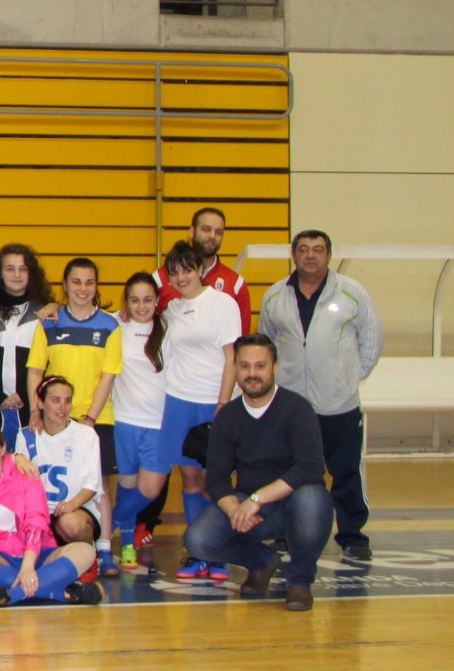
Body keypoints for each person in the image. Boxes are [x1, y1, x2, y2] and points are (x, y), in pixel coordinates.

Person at [257, 230, 384, 561]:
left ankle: (353, 536)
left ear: (329, 255)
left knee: (346, 471)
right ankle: (285, 532)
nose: (310, 256)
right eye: (303, 249)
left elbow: (371, 340)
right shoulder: (274, 297)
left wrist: (348, 379)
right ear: (293, 255)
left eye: (317, 250)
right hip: (292, 407)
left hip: (338, 405)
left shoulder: (353, 294)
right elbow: (268, 344)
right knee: (287, 472)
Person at [184, 335, 334, 611]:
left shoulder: (297, 408)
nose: (252, 374)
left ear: (274, 366)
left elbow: (311, 466)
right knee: (198, 539)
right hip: (253, 509)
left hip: (293, 502)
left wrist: (256, 499)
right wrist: (234, 510)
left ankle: (300, 582)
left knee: (314, 498)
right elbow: (216, 479)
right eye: (244, 366)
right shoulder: (227, 417)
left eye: (260, 366)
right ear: (236, 369)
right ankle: (262, 562)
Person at [24, 257, 123, 569]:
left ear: (96, 286)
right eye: (76, 282)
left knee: (102, 483)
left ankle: (105, 547)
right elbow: (35, 371)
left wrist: (90, 419)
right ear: (65, 286)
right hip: (54, 415)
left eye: (89, 282)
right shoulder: (49, 322)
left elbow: (108, 376)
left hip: (96, 416)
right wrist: (36, 409)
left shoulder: (110, 326)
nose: (83, 288)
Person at [159, 238, 243, 582]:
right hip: (179, 400)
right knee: (190, 479)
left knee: (215, 481)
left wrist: (223, 403)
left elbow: (231, 357)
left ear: (199, 270)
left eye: (187, 269)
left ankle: (218, 552)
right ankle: (197, 551)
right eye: (174, 272)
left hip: (213, 401)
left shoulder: (222, 303)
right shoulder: (172, 309)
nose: (181, 277)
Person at [0, 421, 100, 608]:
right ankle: (58, 591)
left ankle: (11, 595)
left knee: (86, 551)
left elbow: (36, 521)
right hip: (0, 558)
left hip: (40, 554)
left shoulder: (25, 473)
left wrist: (28, 566)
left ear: (3, 449)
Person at [111, 272, 172, 571]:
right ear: (126, 302)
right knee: (127, 485)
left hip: (160, 425)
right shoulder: (115, 325)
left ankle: (104, 523)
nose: (141, 306)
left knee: (150, 490)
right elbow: (80, 313)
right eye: (134, 300)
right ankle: (126, 547)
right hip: (124, 422)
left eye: (148, 299)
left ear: (158, 301)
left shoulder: (170, 329)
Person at [15, 377, 105, 566]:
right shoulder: (25, 435)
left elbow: (92, 486)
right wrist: (16, 457)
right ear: (40, 402)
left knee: (69, 523)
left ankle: (89, 562)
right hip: (38, 515)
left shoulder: (86, 435)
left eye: (68, 400)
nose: (63, 407)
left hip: (75, 511)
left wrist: (72, 504)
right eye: (56, 400)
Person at [0, 244, 51, 435]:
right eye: (10, 269)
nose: (17, 275)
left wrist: (24, 394)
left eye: (23, 269)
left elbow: (47, 364)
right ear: (0, 273)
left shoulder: (44, 313)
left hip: (31, 407)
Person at [154, 206, 252, 335]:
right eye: (206, 229)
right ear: (192, 231)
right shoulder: (160, 278)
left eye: (219, 232)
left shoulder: (236, 284)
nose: (212, 236)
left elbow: (241, 341)